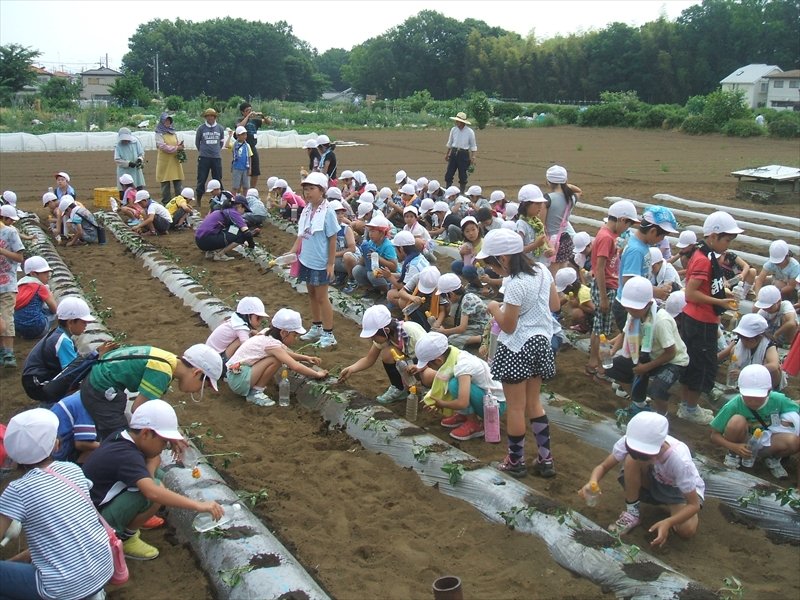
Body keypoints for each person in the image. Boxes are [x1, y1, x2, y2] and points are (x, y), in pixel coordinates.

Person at [81, 400, 225, 560]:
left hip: (89, 509)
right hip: (92, 523)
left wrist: (166, 443)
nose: (165, 446)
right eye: (164, 441)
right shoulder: (128, 456)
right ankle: (123, 538)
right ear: (146, 434)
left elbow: (151, 458)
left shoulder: (123, 436)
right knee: (155, 487)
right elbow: (152, 492)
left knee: (159, 476)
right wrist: (198, 505)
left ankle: (127, 525)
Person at [0, 409, 114, 599]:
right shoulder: (72, 470)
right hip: (102, 569)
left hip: (62, 587)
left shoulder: (18, 489)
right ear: (56, 446)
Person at [481, 229, 560, 478]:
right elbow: (555, 305)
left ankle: (516, 461)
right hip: (541, 342)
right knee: (534, 403)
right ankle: (545, 459)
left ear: (503, 258)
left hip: (516, 346)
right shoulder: (542, 271)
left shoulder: (515, 284)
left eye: (492, 264)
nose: (493, 270)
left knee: (516, 407)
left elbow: (509, 325)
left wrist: (494, 307)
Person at [580, 412, 704, 545]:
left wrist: (668, 522)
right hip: (655, 478)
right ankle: (632, 513)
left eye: (644, 455)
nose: (637, 455)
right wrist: (592, 482)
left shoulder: (679, 461)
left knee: (686, 530)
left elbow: (694, 504)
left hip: (678, 490)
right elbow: (603, 466)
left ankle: (673, 509)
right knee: (631, 460)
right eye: (634, 451)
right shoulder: (633, 440)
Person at [79, 343, 223, 441]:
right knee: (121, 441)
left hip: (94, 382)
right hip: (100, 390)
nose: (199, 390)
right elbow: (139, 409)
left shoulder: (167, 359)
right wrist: (168, 436)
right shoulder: (162, 372)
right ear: (197, 372)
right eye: (204, 385)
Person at [679, 211, 743, 424]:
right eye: (726, 240)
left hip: (701, 319)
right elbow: (691, 293)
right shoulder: (703, 260)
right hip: (700, 321)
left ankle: (688, 405)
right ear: (714, 236)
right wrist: (720, 302)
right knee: (701, 365)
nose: (728, 245)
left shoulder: (707, 256)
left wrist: (723, 293)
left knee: (696, 362)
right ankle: (689, 407)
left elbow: (707, 287)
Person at [604, 276, 689, 417]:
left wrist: (646, 368)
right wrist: (612, 351)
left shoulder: (661, 321)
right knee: (614, 367)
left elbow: (671, 353)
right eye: (629, 308)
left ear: (648, 304)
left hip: (673, 362)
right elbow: (625, 333)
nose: (631, 312)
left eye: (634, 309)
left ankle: (661, 416)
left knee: (658, 389)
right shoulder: (634, 316)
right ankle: (639, 403)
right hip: (648, 355)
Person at [21, 297, 116, 405]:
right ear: (71, 322)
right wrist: (98, 356)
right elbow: (74, 373)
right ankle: (52, 406)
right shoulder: (62, 341)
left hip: (34, 381)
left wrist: (96, 353)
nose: (86, 325)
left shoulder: (58, 333)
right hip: (39, 386)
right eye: (83, 322)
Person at [710, 364, 798, 480]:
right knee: (737, 421)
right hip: (744, 440)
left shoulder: (778, 400)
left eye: (758, 397)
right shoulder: (734, 404)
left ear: (768, 391)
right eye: (748, 396)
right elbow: (714, 435)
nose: (753, 401)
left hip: (768, 440)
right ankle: (733, 455)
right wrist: (734, 447)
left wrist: (788, 420)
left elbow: (796, 409)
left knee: (795, 441)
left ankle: (772, 458)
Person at [414, 331, 506, 441]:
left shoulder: (463, 366)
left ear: (438, 360)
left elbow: (463, 402)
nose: (428, 367)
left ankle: (474, 424)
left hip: (495, 405)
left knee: (454, 384)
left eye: (428, 364)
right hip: (485, 394)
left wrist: (442, 403)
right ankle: (464, 416)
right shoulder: (453, 354)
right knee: (452, 382)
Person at [226, 308, 327, 406]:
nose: (295, 339)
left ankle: (254, 389)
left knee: (277, 357)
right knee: (276, 360)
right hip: (238, 379)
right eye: (294, 335)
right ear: (283, 333)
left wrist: (305, 358)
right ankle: (255, 393)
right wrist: (317, 374)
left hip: (234, 374)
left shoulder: (266, 334)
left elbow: (284, 353)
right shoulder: (272, 345)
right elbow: (295, 366)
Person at [586, 200, 639, 377]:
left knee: (599, 326)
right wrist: (603, 297)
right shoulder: (606, 237)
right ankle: (597, 362)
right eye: (628, 224)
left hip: (608, 284)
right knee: (600, 329)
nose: (627, 228)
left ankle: (595, 361)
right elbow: (600, 267)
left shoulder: (608, 235)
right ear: (622, 220)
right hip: (605, 286)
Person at [288, 172, 339, 348]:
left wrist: (331, 263)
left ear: (322, 190)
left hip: (320, 261)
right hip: (306, 259)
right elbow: (302, 235)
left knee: (322, 297)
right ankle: (317, 326)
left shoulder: (328, 212)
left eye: (311, 189)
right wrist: (292, 253)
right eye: (306, 190)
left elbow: (332, 239)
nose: (308, 193)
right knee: (311, 293)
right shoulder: (307, 210)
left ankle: (329, 333)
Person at [338, 305, 427, 404]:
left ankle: (427, 388)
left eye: (373, 336)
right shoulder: (386, 336)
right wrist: (351, 369)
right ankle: (399, 388)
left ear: (386, 330)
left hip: (427, 362)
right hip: (411, 363)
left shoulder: (411, 332)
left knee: (426, 375)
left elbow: (432, 356)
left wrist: (419, 367)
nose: (372, 339)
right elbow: (369, 359)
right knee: (387, 354)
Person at [612, 206, 678, 333]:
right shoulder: (636, 250)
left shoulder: (640, 246)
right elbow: (629, 281)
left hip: (636, 303)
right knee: (635, 344)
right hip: (628, 306)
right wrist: (656, 292)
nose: (663, 239)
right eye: (663, 235)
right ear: (653, 231)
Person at [719, 313, 784, 392]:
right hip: (742, 374)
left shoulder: (768, 345)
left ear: (759, 337)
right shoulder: (739, 341)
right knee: (733, 351)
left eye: (748, 339)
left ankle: (767, 391)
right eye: (742, 337)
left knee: (774, 370)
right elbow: (724, 353)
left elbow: (774, 365)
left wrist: (747, 373)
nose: (744, 341)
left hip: (761, 379)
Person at [343, 214, 398, 296]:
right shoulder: (371, 243)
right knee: (357, 270)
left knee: (372, 274)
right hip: (374, 270)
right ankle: (371, 289)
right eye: (370, 231)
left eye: (373, 231)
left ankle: (386, 290)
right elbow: (362, 262)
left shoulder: (387, 246)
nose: (370, 234)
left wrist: (378, 258)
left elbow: (394, 267)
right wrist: (364, 254)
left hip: (389, 275)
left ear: (382, 233)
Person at [432, 272, 489, 349]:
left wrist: (444, 331)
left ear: (451, 294)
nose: (445, 298)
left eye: (444, 295)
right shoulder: (463, 296)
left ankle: (483, 338)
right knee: (452, 334)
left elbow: (462, 328)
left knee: (452, 339)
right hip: (475, 324)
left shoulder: (467, 300)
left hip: (483, 326)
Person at [541, 165, 580, 274]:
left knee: (552, 278)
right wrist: (564, 185)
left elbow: (542, 225)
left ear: (548, 182)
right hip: (566, 239)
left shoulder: (547, 199)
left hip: (551, 242)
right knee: (563, 276)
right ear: (565, 180)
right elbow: (579, 191)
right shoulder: (571, 198)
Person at [205, 296, 269, 361]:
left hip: (210, 355)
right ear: (247, 316)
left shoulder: (235, 322)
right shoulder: (241, 328)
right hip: (216, 359)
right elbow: (247, 346)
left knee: (248, 335)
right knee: (243, 342)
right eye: (258, 318)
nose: (260, 322)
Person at [0, 205, 25, 368]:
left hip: (7, 283)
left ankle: (8, 352)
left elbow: (20, 257)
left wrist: (2, 251)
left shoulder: (10, 233)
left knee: (6, 315)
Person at [194, 195, 254, 261]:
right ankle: (220, 255)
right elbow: (247, 233)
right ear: (239, 205)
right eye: (244, 209)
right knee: (241, 234)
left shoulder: (224, 210)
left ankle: (210, 252)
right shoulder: (233, 212)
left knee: (232, 230)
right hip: (206, 240)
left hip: (199, 240)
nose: (243, 213)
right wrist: (251, 246)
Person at [14, 256, 57, 339]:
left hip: (18, 328)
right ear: (33, 274)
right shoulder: (40, 287)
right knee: (53, 314)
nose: (48, 275)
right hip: (39, 329)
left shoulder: (19, 285)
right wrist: (51, 296)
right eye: (45, 272)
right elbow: (55, 309)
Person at [515, 184, 552, 265]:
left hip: (540, 265)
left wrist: (551, 249)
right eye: (537, 204)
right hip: (528, 267)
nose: (540, 207)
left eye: (541, 204)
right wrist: (535, 245)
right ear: (526, 205)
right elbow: (518, 249)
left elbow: (544, 239)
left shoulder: (537, 223)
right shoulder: (521, 224)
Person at [195, 108, 225, 204]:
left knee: (218, 178)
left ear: (214, 117)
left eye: (212, 116)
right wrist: (203, 151)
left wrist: (215, 150)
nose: (210, 118)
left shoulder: (220, 128)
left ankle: (220, 199)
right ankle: (199, 199)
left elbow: (221, 142)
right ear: (206, 117)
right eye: (208, 116)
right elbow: (197, 142)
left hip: (216, 158)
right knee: (201, 179)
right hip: (204, 158)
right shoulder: (201, 128)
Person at [237, 102, 270, 188]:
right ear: (242, 112)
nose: (250, 112)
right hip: (243, 147)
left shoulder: (255, 121)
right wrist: (248, 117)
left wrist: (262, 115)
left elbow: (268, 122)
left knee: (255, 171)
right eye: (247, 111)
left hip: (252, 147)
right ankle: (240, 189)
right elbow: (240, 126)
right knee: (242, 170)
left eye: (250, 110)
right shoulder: (240, 120)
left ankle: (252, 189)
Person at [154, 113, 185, 204]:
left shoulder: (173, 132)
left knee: (178, 182)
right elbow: (162, 146)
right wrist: (176, 148)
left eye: (169, 120)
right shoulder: (158, 133)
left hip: (174, 160)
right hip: (165, 162)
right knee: (165, 182)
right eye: (166, 121)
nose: (167, 122)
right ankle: (166, 203)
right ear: (162, 122)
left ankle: (179, 202)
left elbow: (176, 142)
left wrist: (180, 145)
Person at [444, 111, 477, 192]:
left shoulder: (470, 132)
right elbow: (450, 142)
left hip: (464, 154)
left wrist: (473, 157)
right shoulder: (453, 130)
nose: (456, 122)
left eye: (458, 121)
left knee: (463, 175)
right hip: (454, 152)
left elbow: (473, 145)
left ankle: (462, 192)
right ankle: (448, 190)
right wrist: (447, 154)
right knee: (449, 173)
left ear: (462, 122)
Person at [555, 267, 594, 334]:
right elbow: (560, 303)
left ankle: (586, 328)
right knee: (575, 311)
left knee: (576, 313)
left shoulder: (583, 293)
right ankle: (583, 325)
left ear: (570, 286)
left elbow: (593, 310)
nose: (563, 292)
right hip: (587, 314)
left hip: (594, 317)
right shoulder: (573, 292)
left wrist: (578, 305)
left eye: (564, 290)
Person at [329, 199, 357, 286]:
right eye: (337, 213)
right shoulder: (325, 229)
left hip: (345, 259)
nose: (341, 216)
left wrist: (334, 254)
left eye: (342, 213)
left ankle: (352, 280)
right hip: (334, 260)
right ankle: (337, 276)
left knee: (347, 256)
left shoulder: (346, 229)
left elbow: (352, 248)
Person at [114, 126, 145, 197]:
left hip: (136, 171)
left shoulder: (135, 142)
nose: (126, 141)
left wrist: (139, 159)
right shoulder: (118, 145)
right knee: (125, 191)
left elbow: (141, 153)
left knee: (138, 188)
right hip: (124, 172)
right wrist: (128, 163)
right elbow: (117, 159)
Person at [226, 125, 253, 195]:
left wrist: (250, 168)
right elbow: (226, 145)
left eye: (245, 134)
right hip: (236, 168)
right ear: (238, 135)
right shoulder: (234, 145)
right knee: (235, 186)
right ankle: (233, 199)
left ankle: (244, 199)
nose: (244, 136)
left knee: (246, 186)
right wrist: (229, 136)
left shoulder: (247, 145)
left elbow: (249, 157)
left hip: (245, 168)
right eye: (242, 134)